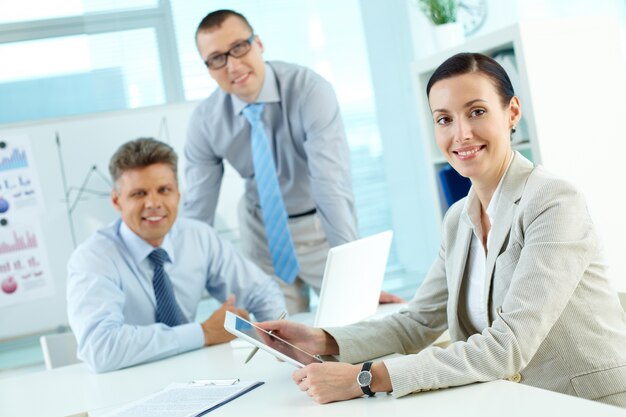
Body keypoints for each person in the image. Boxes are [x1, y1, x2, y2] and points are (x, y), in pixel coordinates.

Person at [258, 53, 626, 407]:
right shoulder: (458, 219)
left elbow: (508, 346)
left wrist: (365, 378)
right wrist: (320, 340)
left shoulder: (553, 201)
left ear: (512, 111)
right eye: (444, 119)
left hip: (587, 402)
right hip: (511, 400)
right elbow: (417, 323)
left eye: (477, 112)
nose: (461, 133)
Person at [184, 9, 402, 313]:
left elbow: (331, 187)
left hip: (319, 227)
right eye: (217, 58)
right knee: (277, 337)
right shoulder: (206, 121)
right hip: (261, 236)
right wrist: (183, 300)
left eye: (239, 48)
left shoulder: (310, 90)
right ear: (208, 68)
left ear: (258, 43)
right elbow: (197, 215)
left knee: (353, 323)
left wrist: (356, 277)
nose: (233, 65)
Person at [67, 138, 286, 373]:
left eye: (164, 190)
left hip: (196, 374)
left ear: (178, 195)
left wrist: (282, 343)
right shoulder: (94, 258)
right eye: (139, 194)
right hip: (128, 383)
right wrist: (202, 333)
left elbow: (261, 291)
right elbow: (100, 348)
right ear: (116, 200)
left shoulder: (198, 237)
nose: (153, 203)